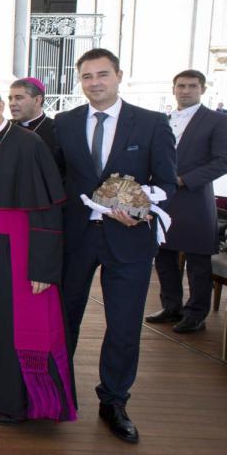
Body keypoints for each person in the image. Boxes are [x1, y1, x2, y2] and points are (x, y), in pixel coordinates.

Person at [54, 48, 176, 444]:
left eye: (102, 74)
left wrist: (142, 210)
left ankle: (114, 401)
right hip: (76, 239)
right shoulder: (65, 123)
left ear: (119, 76)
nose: (95, 83)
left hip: (129, 240)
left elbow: (167, 183)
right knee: (64, 317)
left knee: (123, 325)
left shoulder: (152, 123)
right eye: (87, 76)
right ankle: (58, 392)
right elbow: (57, 180)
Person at [0, 85, 76, 425]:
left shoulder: (29, 145)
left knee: (15, 325)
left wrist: (43, 268)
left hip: (22, 249)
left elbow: (48, 211)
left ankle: (16, 402)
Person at [147, 70, 227, 333]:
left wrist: (184, 179)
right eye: (180, 86)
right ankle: (171, 307)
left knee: (197, 261)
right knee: (164, 256)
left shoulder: (216, 120)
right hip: (163, 199)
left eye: (192, 86)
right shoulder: (163, 119)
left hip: (194, 198)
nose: (185, 91)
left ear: (202, 89)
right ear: (173, 89)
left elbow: (222, 161)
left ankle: (196, 314)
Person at [8, 77, 60, 162]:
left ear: (37, 100)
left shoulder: (56, 131)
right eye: (10, 99)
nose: (12, 103)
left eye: (18, 98)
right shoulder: (6, 127)